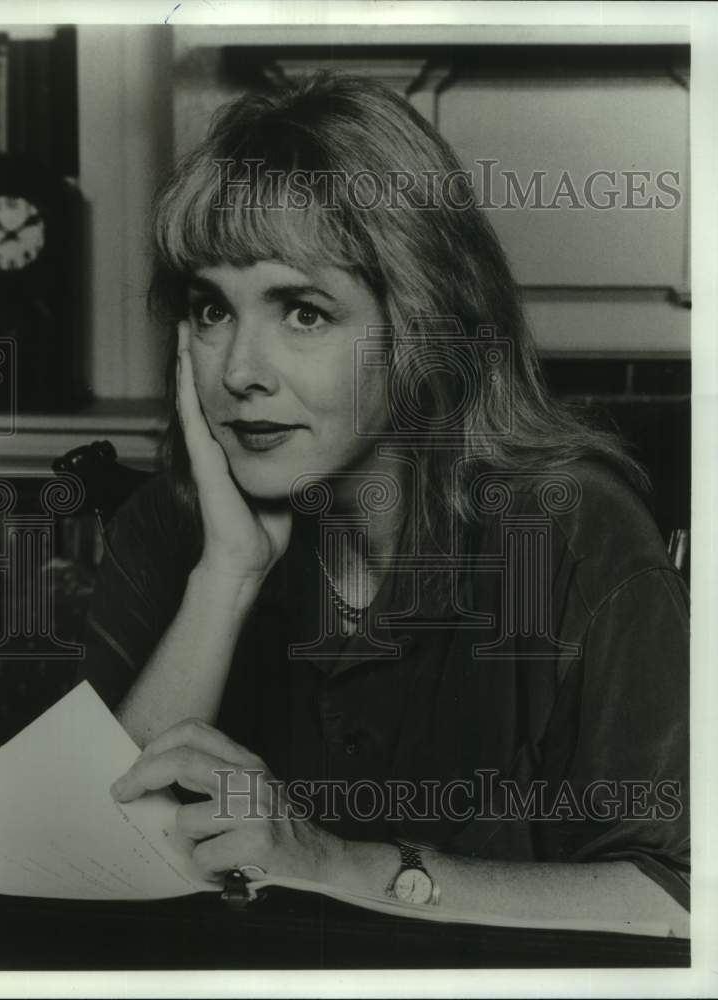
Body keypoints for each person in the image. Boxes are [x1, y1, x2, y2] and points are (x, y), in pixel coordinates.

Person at [79, 74, 689, 936]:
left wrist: (330, 862)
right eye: (212, 307)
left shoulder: (572, 535)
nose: (240, 369)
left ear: (421, 324)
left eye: (302, 310)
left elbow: (680, 896)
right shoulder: (175, 528)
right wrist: (226, 578)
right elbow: (74, 868)